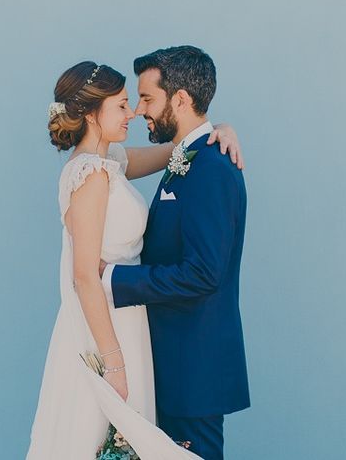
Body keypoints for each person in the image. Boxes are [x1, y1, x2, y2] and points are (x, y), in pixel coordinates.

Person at [27, 59, 243, 458]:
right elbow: (85, 276)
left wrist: (218, 130)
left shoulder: (113, 163)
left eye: (137, 101)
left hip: (133, 323)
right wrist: (114, 364)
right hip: (108, 330)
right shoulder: (90, 175)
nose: (134, 113)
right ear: (92, 115)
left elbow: (176, 150)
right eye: (123, 105)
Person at [100, 46, 250, 460]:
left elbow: (204, 273)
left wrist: (112, 277)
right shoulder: (189, 157)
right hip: (173, 367)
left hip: (193, 373)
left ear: (180, 99)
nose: (139, 110)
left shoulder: (212, 169)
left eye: (147, 98)